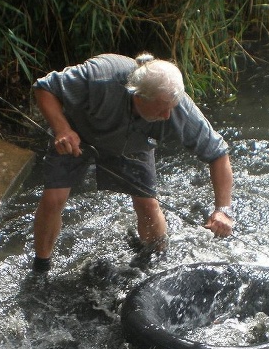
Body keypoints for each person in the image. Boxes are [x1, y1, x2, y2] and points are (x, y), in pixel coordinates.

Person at [31, 53, 235, 273]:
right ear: (138, 97)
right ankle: (41, 268)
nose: (167, 115)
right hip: (77, 135)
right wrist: (62, 128)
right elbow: (45, 88)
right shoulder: (100, 77)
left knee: (147, 204)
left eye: (171, 107)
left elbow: (218, 154)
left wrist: (222, 209)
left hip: (134, 145)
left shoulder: (177, 107)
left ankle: (158, 266)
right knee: (54, 198)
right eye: (161, 108)